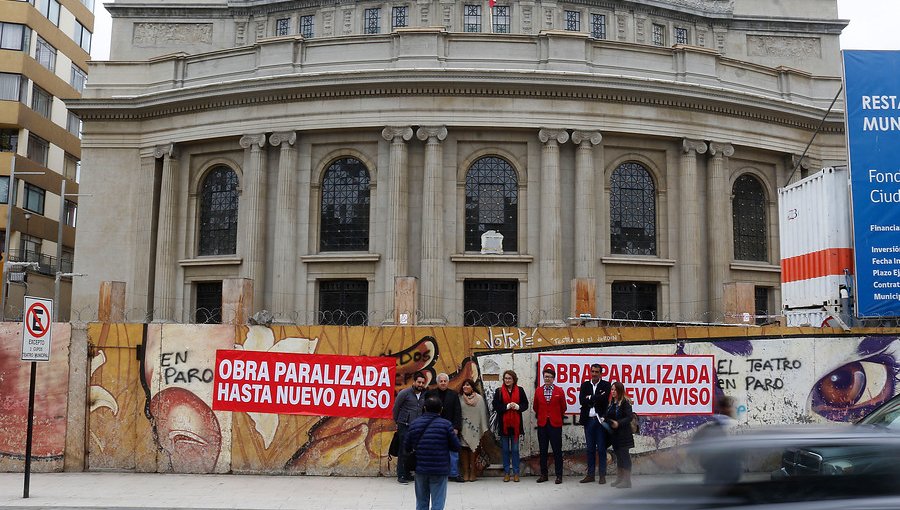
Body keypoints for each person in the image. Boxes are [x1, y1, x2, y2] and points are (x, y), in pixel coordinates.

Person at [405, 396, 461, 510]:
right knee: (438, 502)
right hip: (440, 469)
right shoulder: (446, 425)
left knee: (421, 502)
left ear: (424, 408)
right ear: (441, 409)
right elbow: (456, 446)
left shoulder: (415, 424)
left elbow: (406, 446)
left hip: (420, 468)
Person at [692, 395, 740, 485]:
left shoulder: (722, 424)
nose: (734, 409)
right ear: (725, 408)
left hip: (719, 472)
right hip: (719, 472)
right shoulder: (715, 426)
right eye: (732, 407)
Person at [492, 369, 529, 482]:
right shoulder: (499, 391)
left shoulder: (520, 390)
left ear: (514, 380)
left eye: (509, 378)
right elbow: (496, 406)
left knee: (515, 450)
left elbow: (525, 404)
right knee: (505, 450)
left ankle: (516, 473)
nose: (507, 380)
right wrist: (507, 406)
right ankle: (507, 472)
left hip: (516, 426)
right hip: (504, 425)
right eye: (505, 378)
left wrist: (518, 407)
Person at [425, 373, 463, 482]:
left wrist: (456, 427)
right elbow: (426, 410)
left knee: (453, 452)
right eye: (440, 381)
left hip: (450, 427)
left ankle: (454, 473)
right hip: (434, 427)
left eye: (444, 381)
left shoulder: (454, 395)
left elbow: (457, 412)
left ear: (448, 382)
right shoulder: (430, 394)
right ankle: (434, 473)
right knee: (435, 451)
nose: (443, 383)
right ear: (437, 382)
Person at [579, 363, 612, 484]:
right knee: (590, 449)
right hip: (588, 421)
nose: (594, 374)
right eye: (592, 371)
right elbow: (582, 401)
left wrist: (590, 398)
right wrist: (596, 396)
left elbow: (604, 399)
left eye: (596, 372)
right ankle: (590, 475)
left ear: (600, 373)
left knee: (602, 449)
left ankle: (602, 475)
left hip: (600, 421)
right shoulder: (585, 385)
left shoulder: (606, 385)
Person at [533, 366, 566, 484]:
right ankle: (544, 474)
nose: (547, 379)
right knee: (543, 450)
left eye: (550, 377)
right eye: (545, 376)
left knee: (557, 450)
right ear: (543, 377)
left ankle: (559, 475)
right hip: (542, 424)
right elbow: (535, 407)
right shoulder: (538, 391)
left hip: (555, 424)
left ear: (553, 378)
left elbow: (563, 407)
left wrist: (555, 416)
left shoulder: (559, 391)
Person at [393, 371, 427, 484]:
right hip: (405, 426)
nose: (420, 385)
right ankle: (401, 474)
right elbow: (396, 408)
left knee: (412, 451)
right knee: (403, 450)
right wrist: (398, 422)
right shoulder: (405, 393)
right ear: (414, 382)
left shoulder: (423, 395)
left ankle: (407, 473)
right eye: (419, 382)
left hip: (417, 427)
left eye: (422, 382)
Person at [604, 381, 635, 488]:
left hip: (624, 434)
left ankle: (627, 481)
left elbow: (629, 417)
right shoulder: (612, 403)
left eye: (615, 390)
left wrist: (618, 423)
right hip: (615, 435)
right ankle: (620, 478)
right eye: (612, 389)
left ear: (620, 391)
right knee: (619, 457)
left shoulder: (625, 402)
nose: (613, 392)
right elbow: (609, 415)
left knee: (624, 457)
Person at [458, 378, 489, 482]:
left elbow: (482, 414)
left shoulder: (479, 398)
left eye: (468, 385)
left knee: (473, 450)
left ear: (472, 387)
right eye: (464, 385)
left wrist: (482, 428)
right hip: (463, 429)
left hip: (475, 430)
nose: (465, 387)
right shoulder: (460, 398)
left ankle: (473, 472)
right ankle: (466, 472)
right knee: (464, 450)